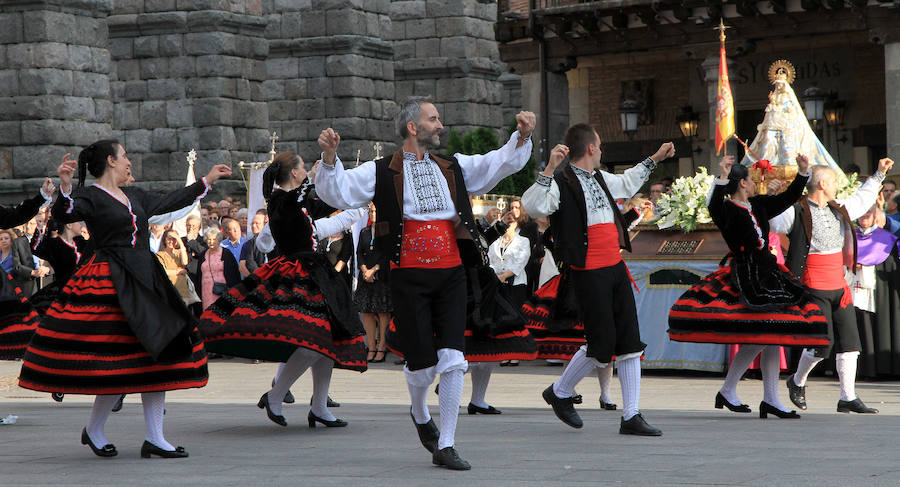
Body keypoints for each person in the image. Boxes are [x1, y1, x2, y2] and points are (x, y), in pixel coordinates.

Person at [315, 96, 536, 470]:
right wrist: (329, 159)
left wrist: (520, 137)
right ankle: (419, 412)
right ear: (413, 127)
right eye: (434, 119)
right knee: (420, 366)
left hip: (451, 274)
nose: (441, 126)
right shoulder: (381, 170)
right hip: (408, 276)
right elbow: (338, 192)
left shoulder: (453, 166)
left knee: (453, 359)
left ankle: (446, 444)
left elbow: (492, 164)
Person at [19, 141, 231, 458]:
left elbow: (170, 201)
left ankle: (155, 437)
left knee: (156, 352)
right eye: (125, 156)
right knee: (117, 360)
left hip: (145, 279)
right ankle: (95, 429)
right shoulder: (90, 196)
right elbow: (66, 212)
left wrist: (207, 180)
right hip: (111, 283)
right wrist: (64, 186)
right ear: (111, 161)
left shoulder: (134, 195)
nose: (129, 162)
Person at [521, 123, 673, 436]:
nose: (602, 150)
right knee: (601, 344)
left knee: (630, 340)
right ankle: (560, 392)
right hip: (588, 272)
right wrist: (549, 167)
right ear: (591, 148)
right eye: (600, 145)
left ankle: (631, 414)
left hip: (615, 266)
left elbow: (629, 181)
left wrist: (655, 158)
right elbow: (533, 205)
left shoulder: (601, 178)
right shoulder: (561, 182)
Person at [198, 152, 367, 428]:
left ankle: (319, 407)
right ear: (295, 173)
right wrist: (321, 176)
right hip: (298, 274)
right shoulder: (284, 200)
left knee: (325, 342)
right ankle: (276, 395)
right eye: (303, 169)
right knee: (312, 342)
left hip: (313, 271)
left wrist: (357, 203)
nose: (306, 173)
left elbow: (325, 209)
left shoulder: (291, 201)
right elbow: (316, 199)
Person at [668, 155, 829, 418]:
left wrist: (802, 173)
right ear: (742, 183)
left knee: (770, 335)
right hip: (747, 277)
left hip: (767, 274)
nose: (754, 184)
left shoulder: (758, 205)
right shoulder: (728, 210)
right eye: (750, 181)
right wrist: (721, 176)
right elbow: (713, 206)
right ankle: (748, 394)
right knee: (763, 334)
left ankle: (762, 397)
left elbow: (787, 198)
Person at [770, 157, 894, 414]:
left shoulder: (837, 208)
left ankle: (847, 397)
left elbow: (861, 199)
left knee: (851, 343)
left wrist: (879, 174)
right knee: (821, 344)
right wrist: (777, 198)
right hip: (813, 284)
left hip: (839, 283)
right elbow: (774, 223)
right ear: (823, 183)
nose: (838, 185)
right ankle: (797, 380)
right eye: (834, 181)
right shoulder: (796, 211)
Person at [354, 203, 392, 363]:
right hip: (366, 278)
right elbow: (359, 253)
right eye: (371, 211)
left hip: (381, 277)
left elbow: (387, 254)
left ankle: (382, 347)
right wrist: (364, 270)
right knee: (367, 312)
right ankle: (371, 347)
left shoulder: (387, 232)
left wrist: (374, 270)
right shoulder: (364, 232)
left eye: (375, 211)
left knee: (383, 313)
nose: (372, 214)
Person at [200, 227, 240, 311]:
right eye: (209, 239)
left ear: (219, 240)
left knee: (222, 312)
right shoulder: (203, 255)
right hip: (206, 291)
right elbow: (199, 274)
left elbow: (234, 273)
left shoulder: (226, 253)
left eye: (214, 239)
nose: (211, 242)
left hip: (222, 290)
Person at [157, 229, 198, 306]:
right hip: (169, 288)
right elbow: (163, 271)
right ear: (164, 239)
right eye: (169, 238)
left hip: (182, 288)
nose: (171, 241)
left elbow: (184, 262)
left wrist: (180, 242)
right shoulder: (160, 254)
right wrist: (178, 271)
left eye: (174, 239)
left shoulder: (179, 252)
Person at [238, 211, 268, 278]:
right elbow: (242, 266)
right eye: (252, 223)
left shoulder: (272, 242)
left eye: (257, 223)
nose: (254, 226)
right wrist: (255, 278)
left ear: (264, 225)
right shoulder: (248, 244)